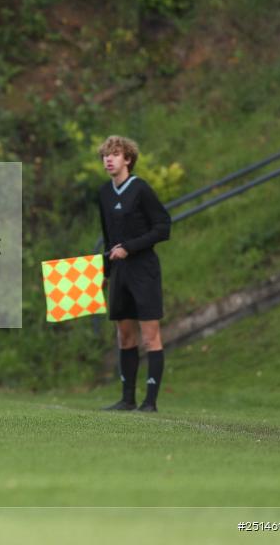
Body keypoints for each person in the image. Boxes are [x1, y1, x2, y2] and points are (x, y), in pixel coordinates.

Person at [97, 136, 171, 413]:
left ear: (127, 159)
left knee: (150, 336)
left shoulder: (141, 189)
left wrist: (129, 247)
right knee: (124, 336)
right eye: (105, 155)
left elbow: (163, 227)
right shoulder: (104, 193)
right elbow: (108, 237)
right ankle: (127, 399)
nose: (109, 159)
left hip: (144, 271)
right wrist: (105, 273)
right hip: (119, 273)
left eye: (115, 154)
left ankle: (150, 402)